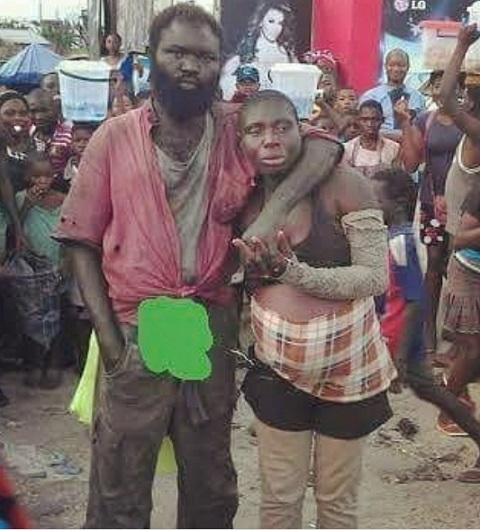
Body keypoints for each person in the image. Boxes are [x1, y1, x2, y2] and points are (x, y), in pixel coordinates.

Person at [52, 4, 342, 527]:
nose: (190, 66)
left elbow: (323, 146)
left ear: (219, 64)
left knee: (209, 480)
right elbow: (79, 240)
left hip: (210, 325)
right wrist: (112, 343)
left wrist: (271, 212)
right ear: (152, 58)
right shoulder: (115, 138)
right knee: (119, 482)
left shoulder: (237, 127)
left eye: (205, 57)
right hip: (137, 328)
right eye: (177, 53)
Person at [236, 90, 396, 529]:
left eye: (282, 127)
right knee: (279, 499)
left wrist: (293, 272)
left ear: (301, 131)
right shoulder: (240, 196)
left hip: (349, 371)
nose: (270, 139)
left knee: (336, 502)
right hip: (277, 371)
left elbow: (374, 277)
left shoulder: (347, 185)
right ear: (241, 141)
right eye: (256, 130)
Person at [373, 167, 480, 483]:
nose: (369, 204)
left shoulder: (401, 242)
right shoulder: (396, 237)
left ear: (398, 202)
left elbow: (415, 300)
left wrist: (400, 354)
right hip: (397, 337)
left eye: (375, 199)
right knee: (433, 393)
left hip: (398, 338)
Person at [397, 70, 464, 361]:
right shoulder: (426, 120)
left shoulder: (469, 120)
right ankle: (429, 343)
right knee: (434, 268)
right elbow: (411, 165)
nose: (442, 89)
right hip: (432, 204)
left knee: (462, 269)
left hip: (466, 206)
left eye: (447, 84)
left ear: (460, 89)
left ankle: (460, 344)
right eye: (437, 85)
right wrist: (405, 123)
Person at [438, 24, 480, 436]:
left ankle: (456, 389)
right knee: (472, 345)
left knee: (467, 341)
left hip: (464, 241)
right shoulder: (477, 132)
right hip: (468, 246)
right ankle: (449, 406)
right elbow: (446, 98)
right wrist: (461, 46)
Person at [16, 152, 66, 389]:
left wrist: (67, 263)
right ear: (28, 177)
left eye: (47, 176)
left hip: (58, 267)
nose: (42, 181)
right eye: (36, 176)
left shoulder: (64, 200)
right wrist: (28, 205)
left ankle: (54, 365)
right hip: (31, 271)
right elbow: (14, 228)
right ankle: (34, 364)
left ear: (54, 176)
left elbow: (72, 231)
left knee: (57, 317)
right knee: (31, 318)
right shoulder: (19, 198)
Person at [221, 0, 297, 100]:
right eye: (271, 21)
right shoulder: (249, 48)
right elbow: (225, 78)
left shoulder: (285, 51)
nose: (276, 28)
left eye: (280, 23)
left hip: (279, 103)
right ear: (261, 21)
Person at [360, 49, 425, 135]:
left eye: (401, 65)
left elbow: (423, 127)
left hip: (411, 141)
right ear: (385, 66)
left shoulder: (418, 97)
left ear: (408, 67)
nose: (396, 69)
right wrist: (394, 137)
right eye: (392, 65)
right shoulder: (370, 96)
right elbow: (363, 128)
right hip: (379, 141)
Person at [0, 91, 32, 256]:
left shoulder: (35, 142)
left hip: (28, 215)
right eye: (9, 113)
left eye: (22, 113)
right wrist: (17, 226)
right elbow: (4, 182)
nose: (17, 118)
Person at [343, 100, 400, 178]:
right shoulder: (347, 149)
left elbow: (397, 179)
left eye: (375, 119)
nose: (370, 124)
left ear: (382, 120)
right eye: (365, 120)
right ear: (358, 120)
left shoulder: (393, 148)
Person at [27, 88, 72, 187]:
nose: (39, 117)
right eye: (33, 111)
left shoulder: (70, 135)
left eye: (44, 110)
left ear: (56, 109)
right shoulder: (26, 133)